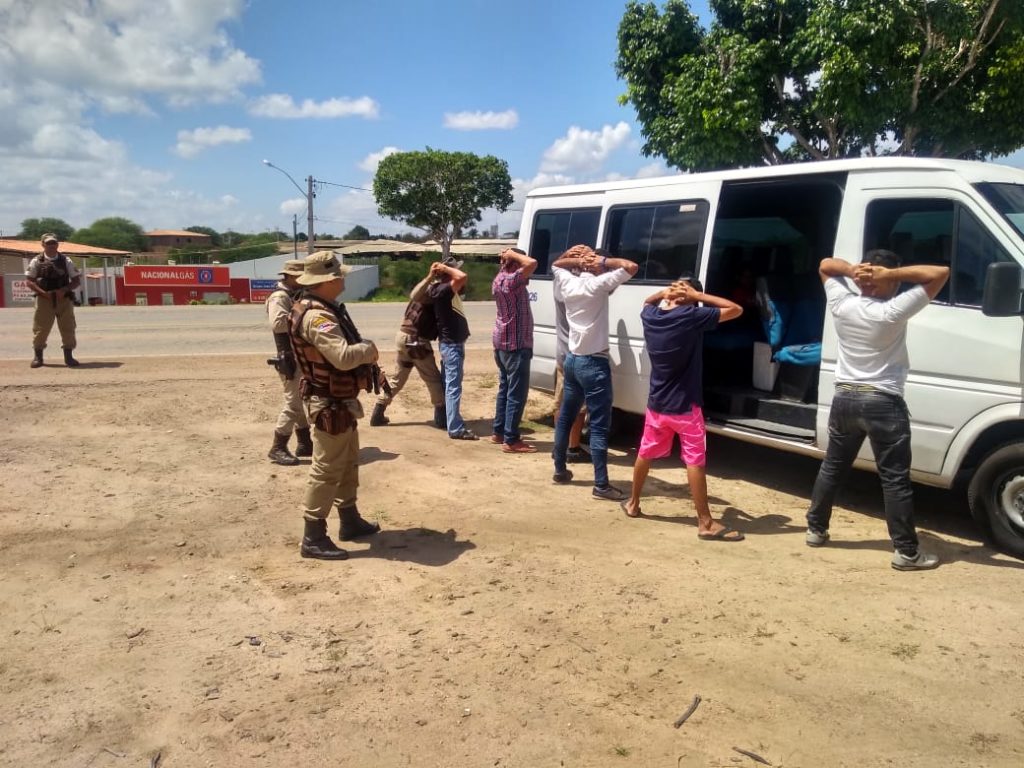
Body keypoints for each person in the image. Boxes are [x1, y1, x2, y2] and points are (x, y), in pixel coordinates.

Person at [805, 251, 949, 571]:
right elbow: (939, 272)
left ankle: (816, 529)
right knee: (894, 480)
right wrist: (891, 274)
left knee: (833, 467)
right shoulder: (893, 310)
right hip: (883, 401)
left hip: (844, 398)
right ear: (886, 279)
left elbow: (825, 264)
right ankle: (907, 552)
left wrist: (855, 271)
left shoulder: (842, 304)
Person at [621, 278, 745, 541]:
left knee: (645, 452)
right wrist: (697, 295)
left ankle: (633, 503)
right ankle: (705, 522)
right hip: (686, 406)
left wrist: (664, 293)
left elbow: (647, 302)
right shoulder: (690, 316)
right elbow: (736, 309)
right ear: (689, 297)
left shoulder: (651, 316)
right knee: (694, 461)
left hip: (657, 404)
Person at [289, 252, 382, 560]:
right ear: (328, 280)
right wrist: (368, 350)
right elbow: (342, 357)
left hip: (339, 401)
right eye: (340, 275)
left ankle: (349, 519)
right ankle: (313, 536)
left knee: (347, 461)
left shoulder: (323, 309)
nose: (343, 279)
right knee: (327, 469)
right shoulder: (318, 317)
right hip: (329, 403)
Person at [550, 245, 639, 500]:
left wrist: (576, 258)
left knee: (565, 417)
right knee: (599, 427)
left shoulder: (568, 282)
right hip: (594, 364)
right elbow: (631, 267)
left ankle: (560, 470)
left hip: (572, 361)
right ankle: (601, 485)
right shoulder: (598, 285)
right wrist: (601, 260)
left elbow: (557, 264)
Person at [369, 261, 447, 430]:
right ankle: (442, 417)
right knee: (432, 378)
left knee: (398, 378)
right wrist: (430, 277)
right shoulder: (433, 291)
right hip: (415, 341)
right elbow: (415, 295)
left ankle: (378, 411)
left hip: (404, 338)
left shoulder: (431, 288)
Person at [490, 247, 538, 453]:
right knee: (516, 394)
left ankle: (499, 431)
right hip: (516, 344)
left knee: (505, 389)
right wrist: (513, 254)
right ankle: (511, 439)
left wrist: (509, 258)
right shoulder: (511, 280)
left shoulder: (499, 278)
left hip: (502, 342)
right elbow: (532, 263)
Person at [266, 259, 313, 466]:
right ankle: (278, 447)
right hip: (289, 357)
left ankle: (304, 442)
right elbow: (278, 324)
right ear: (290, 276)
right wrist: (305, 319)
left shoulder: (294, 295)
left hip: (298, 355)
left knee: (299, 399)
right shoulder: (279, 296)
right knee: (293, 403)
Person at [428, 255, 477, 440]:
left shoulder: (440, 289)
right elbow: (462, 277)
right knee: (453, 387)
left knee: (448, 384)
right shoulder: (443, 290)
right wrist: (446, 269)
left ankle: (445, 419)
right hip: (452, 346)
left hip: (450, 345)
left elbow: (461, 278)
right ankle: (455, 427)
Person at [26, 233, 81, 368]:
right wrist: (43, 293)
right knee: (40, 329)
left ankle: (69, 357)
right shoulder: (36, 261)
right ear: (42, 245)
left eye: (53, 243)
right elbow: (29, 281)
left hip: (63, 299)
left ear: (57, 244)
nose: (51, 246)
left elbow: (76, 281)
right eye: (48, 243)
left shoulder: (66, 261)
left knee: (68, 327)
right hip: (44, 299)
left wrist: (63, 291)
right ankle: (38, 357)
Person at [553, 273, 589, 464]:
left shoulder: (558, 288)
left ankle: (559, 446)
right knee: (578, 407)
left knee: (560, 404)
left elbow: (557, 267)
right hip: (577, 358)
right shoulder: (582, 296)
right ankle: (572, 448)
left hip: (562, 355)